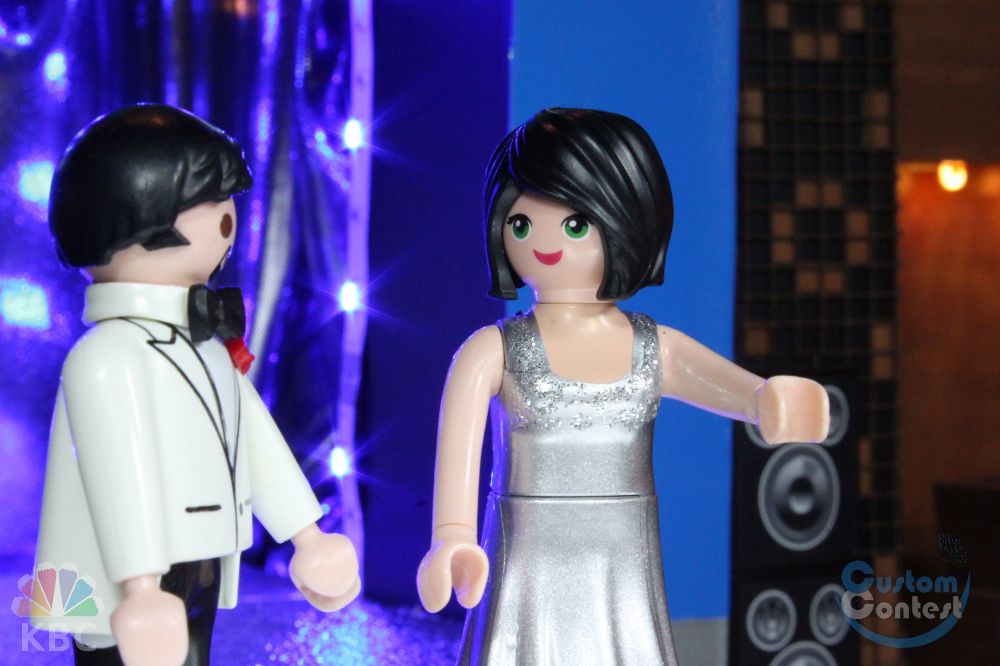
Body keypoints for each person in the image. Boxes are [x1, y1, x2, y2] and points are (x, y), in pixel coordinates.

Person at [416, 108, 830, 665]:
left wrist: (767, 401)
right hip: (528, 551)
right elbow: (458, 453)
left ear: (627, 221)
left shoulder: (652, 346)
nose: (545, 242)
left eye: (575, 224)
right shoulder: (494, 349)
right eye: (522, 223)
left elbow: (735, 389)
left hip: (623, 553)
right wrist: (452, 537)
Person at [33, 104, 360, 666]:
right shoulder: (104, 358)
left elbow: (253, 438)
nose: (227, 219)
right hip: (117, 574)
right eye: (205, 203)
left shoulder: (207, 344)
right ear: (136, 217)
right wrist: (140, 584)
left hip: (202, 556)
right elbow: (117, 472)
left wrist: (307, 534)